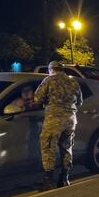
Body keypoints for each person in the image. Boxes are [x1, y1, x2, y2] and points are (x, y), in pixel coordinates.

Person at [34, 61, 83, 190]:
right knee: (67, 147)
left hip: (54, 118)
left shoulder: (49, 80)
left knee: (48, 147)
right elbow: (80, 101)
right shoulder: (73, 81)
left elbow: (37, 98)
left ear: (51, 69)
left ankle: (49, 181)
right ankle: (65, 178)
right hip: (71, 119)